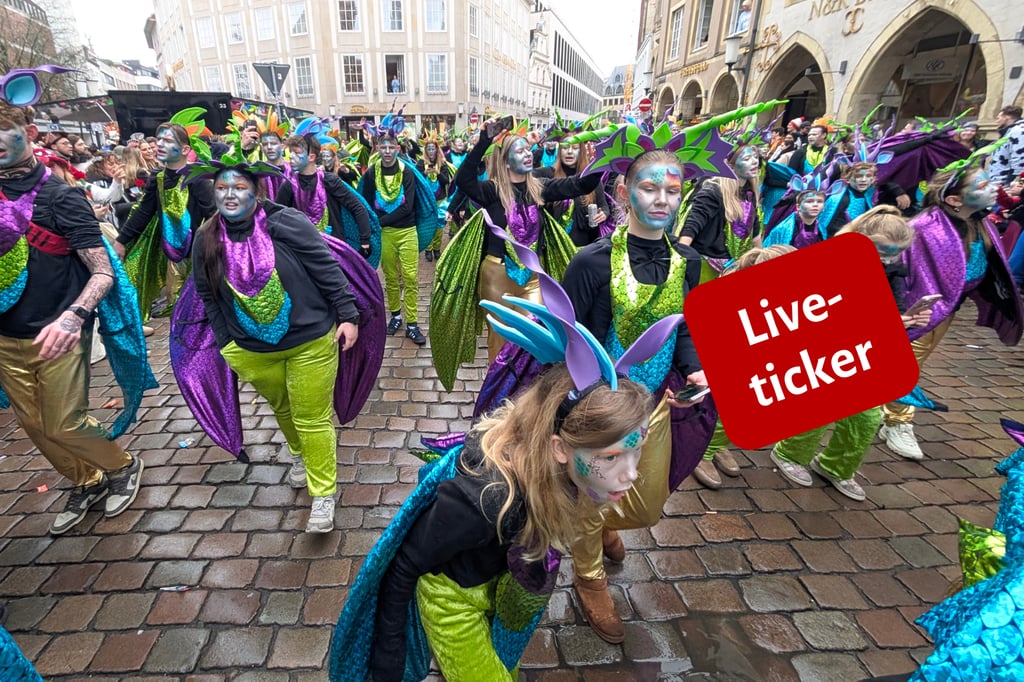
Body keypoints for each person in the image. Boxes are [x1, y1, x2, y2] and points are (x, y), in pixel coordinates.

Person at [330, 239, 684, 679]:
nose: (631, 475)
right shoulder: (487, 499)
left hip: (498, 580)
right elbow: (405, 564)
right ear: (559, 447)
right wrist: (387, 660)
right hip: (454, 599)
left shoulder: (567, 470)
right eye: (612, 457)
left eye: (635, 453)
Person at [0, 80, 152, 537]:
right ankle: (85, 479)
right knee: (34, 426)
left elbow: (103, 272)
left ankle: (122, 465)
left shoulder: (59, 196)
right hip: (6, 337)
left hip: (59, 329)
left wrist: (75, 315)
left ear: (27, 129)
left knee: (63, 422)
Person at [189, 159, 361, 533]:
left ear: (257, 190)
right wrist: (227, 344)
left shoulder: (286, 223)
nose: (230, 194)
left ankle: (323, 493)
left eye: (238, 187)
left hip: (310, 338)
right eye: (221, 188)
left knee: (311, 416)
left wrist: (348, 315)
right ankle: (298, 454)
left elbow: (326, 268)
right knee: (282, 406)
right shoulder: (205, 238)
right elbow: (207, 295)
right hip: (251, 349)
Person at [769, 207, 931, 500]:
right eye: (882, 251)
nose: (887, 259)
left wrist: (906, 319)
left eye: (894, 254)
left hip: (864, 350)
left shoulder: (891, 270)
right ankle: (790, 453)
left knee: (866, 418)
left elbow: (888, 310)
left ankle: (836, 466)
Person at [430, 116, 600, 388]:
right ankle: (498, 393)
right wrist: (485, 139)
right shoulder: (492, 191)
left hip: (533, 277)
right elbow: (463, 179)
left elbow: (580, 185)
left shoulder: (540, 188)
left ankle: (526, 391)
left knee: (534, 334)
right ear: (506, 161)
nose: (527, 154)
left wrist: (600, 160)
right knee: (501, 339)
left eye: (527, 150)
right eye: (519, 151)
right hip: (496, 277)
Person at [879, 159, 1022, 459]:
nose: (993, 187)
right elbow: (901, 272)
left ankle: (886, 405)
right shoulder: (925, 228)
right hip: (917, 310)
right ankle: (896, 420)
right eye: (982, 185)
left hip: (948, 307)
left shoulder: (978, 223)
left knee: (915, 360)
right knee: (906, 362)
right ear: (955, 200)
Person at [114, 109, 216, 322]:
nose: (159, 145)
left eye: (167, 140)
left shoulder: (197, 178)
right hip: (172, 255)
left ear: (185, 149)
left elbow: (214, 214)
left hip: (199, 256)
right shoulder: (157, 179)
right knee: (176, 305)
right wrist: (122, 241)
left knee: (200, 310)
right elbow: (143, 212)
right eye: (158, 139)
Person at [359, 110, 432, 345]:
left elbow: (408, 207)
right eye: (383, 147)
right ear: (378, 148)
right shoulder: (371, 174)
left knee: (410, 278)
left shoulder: (407, 172)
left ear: (398, 149)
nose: (388, 151)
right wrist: (372, 227)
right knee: (390, 278)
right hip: (386, 235)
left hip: (407, 231)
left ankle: (412, 323)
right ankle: (396, 316)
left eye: (392, 147)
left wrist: (378, 222)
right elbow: (366, 205)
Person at [275, 119, 376, 261]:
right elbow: (278, 217)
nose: (291, 156)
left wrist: (365, 240)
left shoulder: (329, 181)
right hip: (303, 253)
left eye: (297, 153)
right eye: (290, 152)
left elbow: (357, 207)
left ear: (311, 157)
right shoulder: (288, 185)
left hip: (333, 252)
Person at [679, 142, 764, 280]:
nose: (755, 161)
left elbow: (755, 232)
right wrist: (678, 260)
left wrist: (761, 257)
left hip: (731, 265)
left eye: (755, 157)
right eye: (747, 158)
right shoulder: (713, 190)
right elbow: (692, 224)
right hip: (704, 265)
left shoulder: (749, 193)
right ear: (731, 165)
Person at [416, 131, 454, 262]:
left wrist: (438, 173)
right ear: (426, 150)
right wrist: (425, 173)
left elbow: (446, 181)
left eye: (433, 149)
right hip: (426, 200)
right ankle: (428, 249)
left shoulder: (442, 163)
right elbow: (417, 180)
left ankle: (437, 248)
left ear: (437, 150)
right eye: (429, 149)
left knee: (439, 226)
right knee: (427, 225)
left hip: (440, 200)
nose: (431, 151)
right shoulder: (420, 163)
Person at [989, 105, 1024, 187]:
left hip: (1006, 184)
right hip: (998, 182)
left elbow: (1020, 158)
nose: (997, 121)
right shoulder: (1009, 131)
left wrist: (1013, 182)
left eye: (999, 118)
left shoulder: (1019, 131)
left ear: (1006, 117)